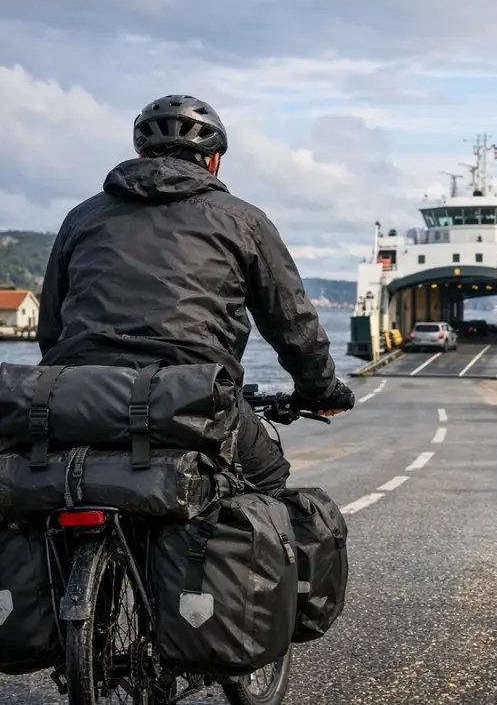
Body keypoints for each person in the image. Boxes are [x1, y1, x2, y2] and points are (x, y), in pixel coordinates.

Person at [36, 94, 354, 492]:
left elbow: (50, 326)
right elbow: (292, 323)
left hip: (81, 396)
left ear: (141, 152)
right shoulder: (243, 220)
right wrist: (320, 390)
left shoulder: (81, 217)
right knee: (269, 479)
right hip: (194, 396)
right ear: (214, 159)